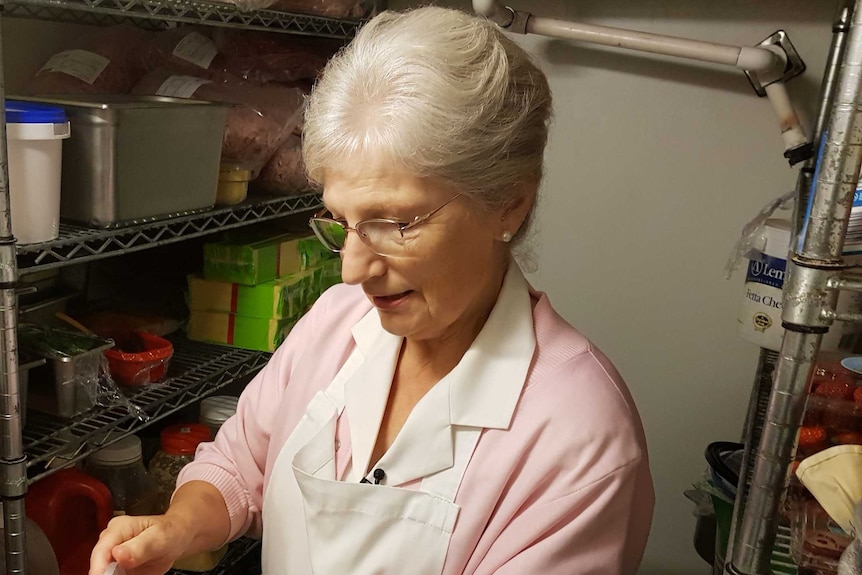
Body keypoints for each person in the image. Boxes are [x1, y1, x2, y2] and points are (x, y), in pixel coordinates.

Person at [89, 6, 654, 575]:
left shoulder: (579, 436)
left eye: (396, 222)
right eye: (340, 221)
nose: (351, 271)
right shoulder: (336, 322)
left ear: (508, 199)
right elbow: (240, 464)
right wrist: (177, 528)